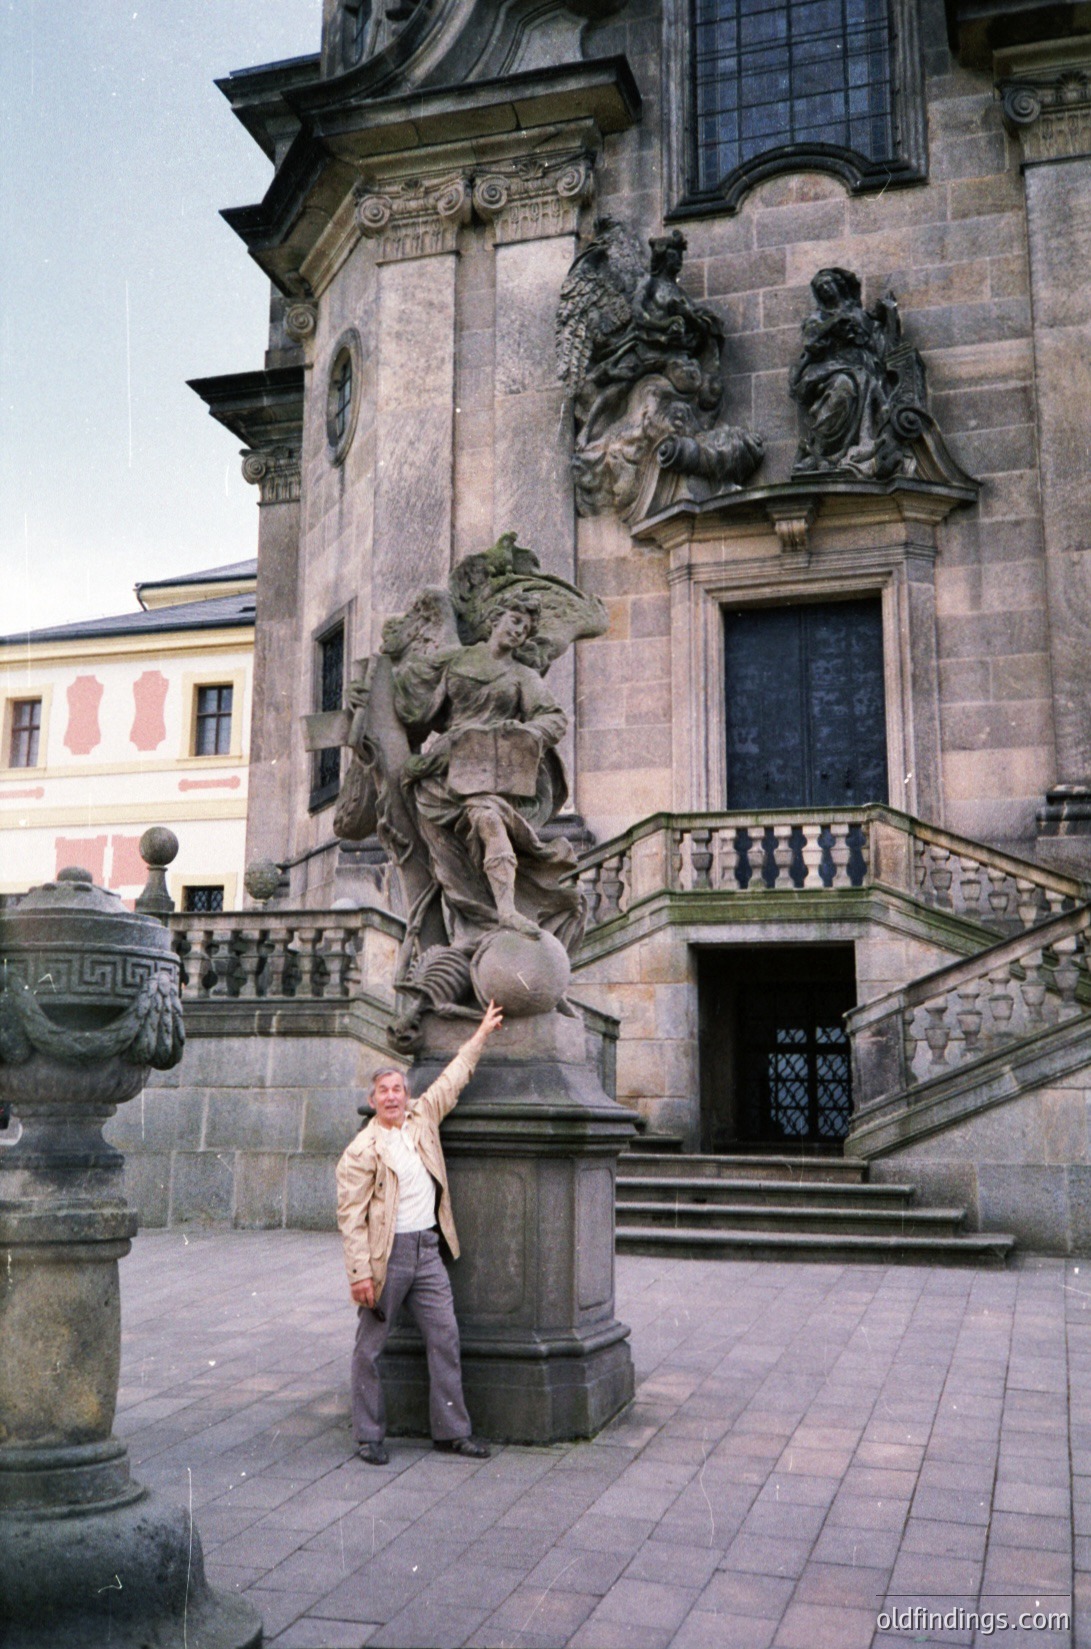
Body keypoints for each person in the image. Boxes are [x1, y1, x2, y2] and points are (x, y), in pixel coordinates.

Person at [336, 998, 504, 1464]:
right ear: (372, 1102)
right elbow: (350, 1218)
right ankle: (369, 1436)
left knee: (445, 1337)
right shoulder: (360, 1151)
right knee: (370, 1348)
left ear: (406, 1094)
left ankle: (451, 1432)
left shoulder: (422, 1120)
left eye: (397, 1089)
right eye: (383, 1092)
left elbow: (454, 1076)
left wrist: (482, 1033)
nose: (392, 1096)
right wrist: (360, 1274)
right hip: (385, 1257)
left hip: (427, 1250)